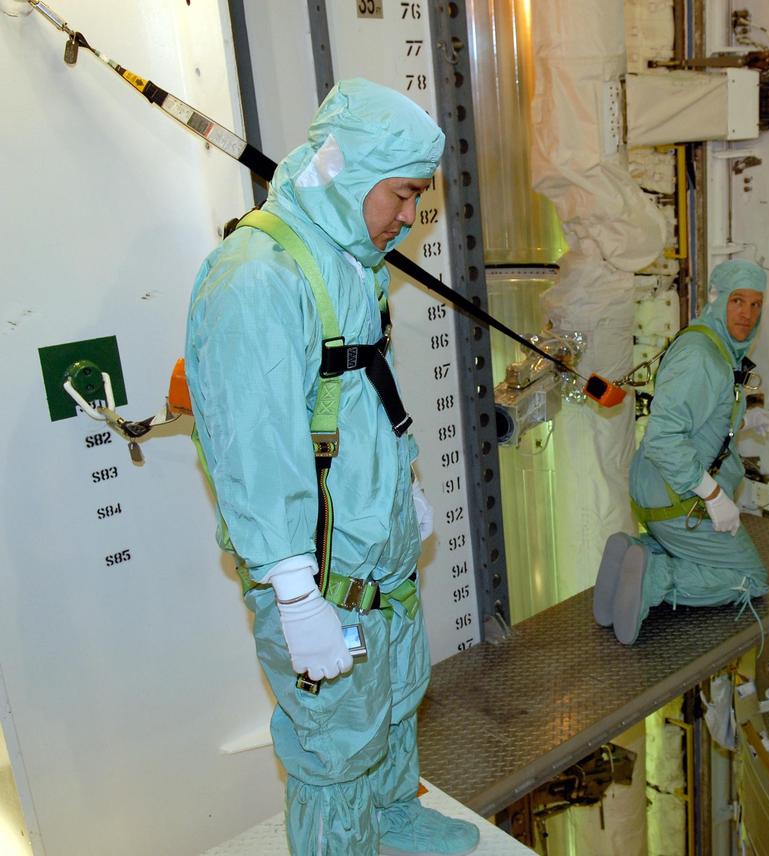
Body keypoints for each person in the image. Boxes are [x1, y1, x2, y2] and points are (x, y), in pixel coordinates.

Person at [185, 79, 478, 855]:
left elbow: (361, 399)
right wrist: (292, 592)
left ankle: (392, 815)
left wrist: (405, 487)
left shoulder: (349, 260)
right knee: (334, 745)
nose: (411, 216)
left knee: (392, 699)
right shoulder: (256, 279)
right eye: (405, 194)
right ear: (348, 171)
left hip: (373, 556)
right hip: (320, 572)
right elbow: (254, 456)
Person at [594, 259, 769, 645]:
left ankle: (634, 553)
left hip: (658, 490)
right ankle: (656, 578)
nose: (747, 313)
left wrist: (744, 420)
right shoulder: (703, 358)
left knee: (702, 551)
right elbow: (663, 438)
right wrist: (712, 495)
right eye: (738, 301)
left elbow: (697, 420)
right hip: (679, 496)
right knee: (749, 578)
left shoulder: (710, 344)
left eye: (756, 304)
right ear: (718, 298)